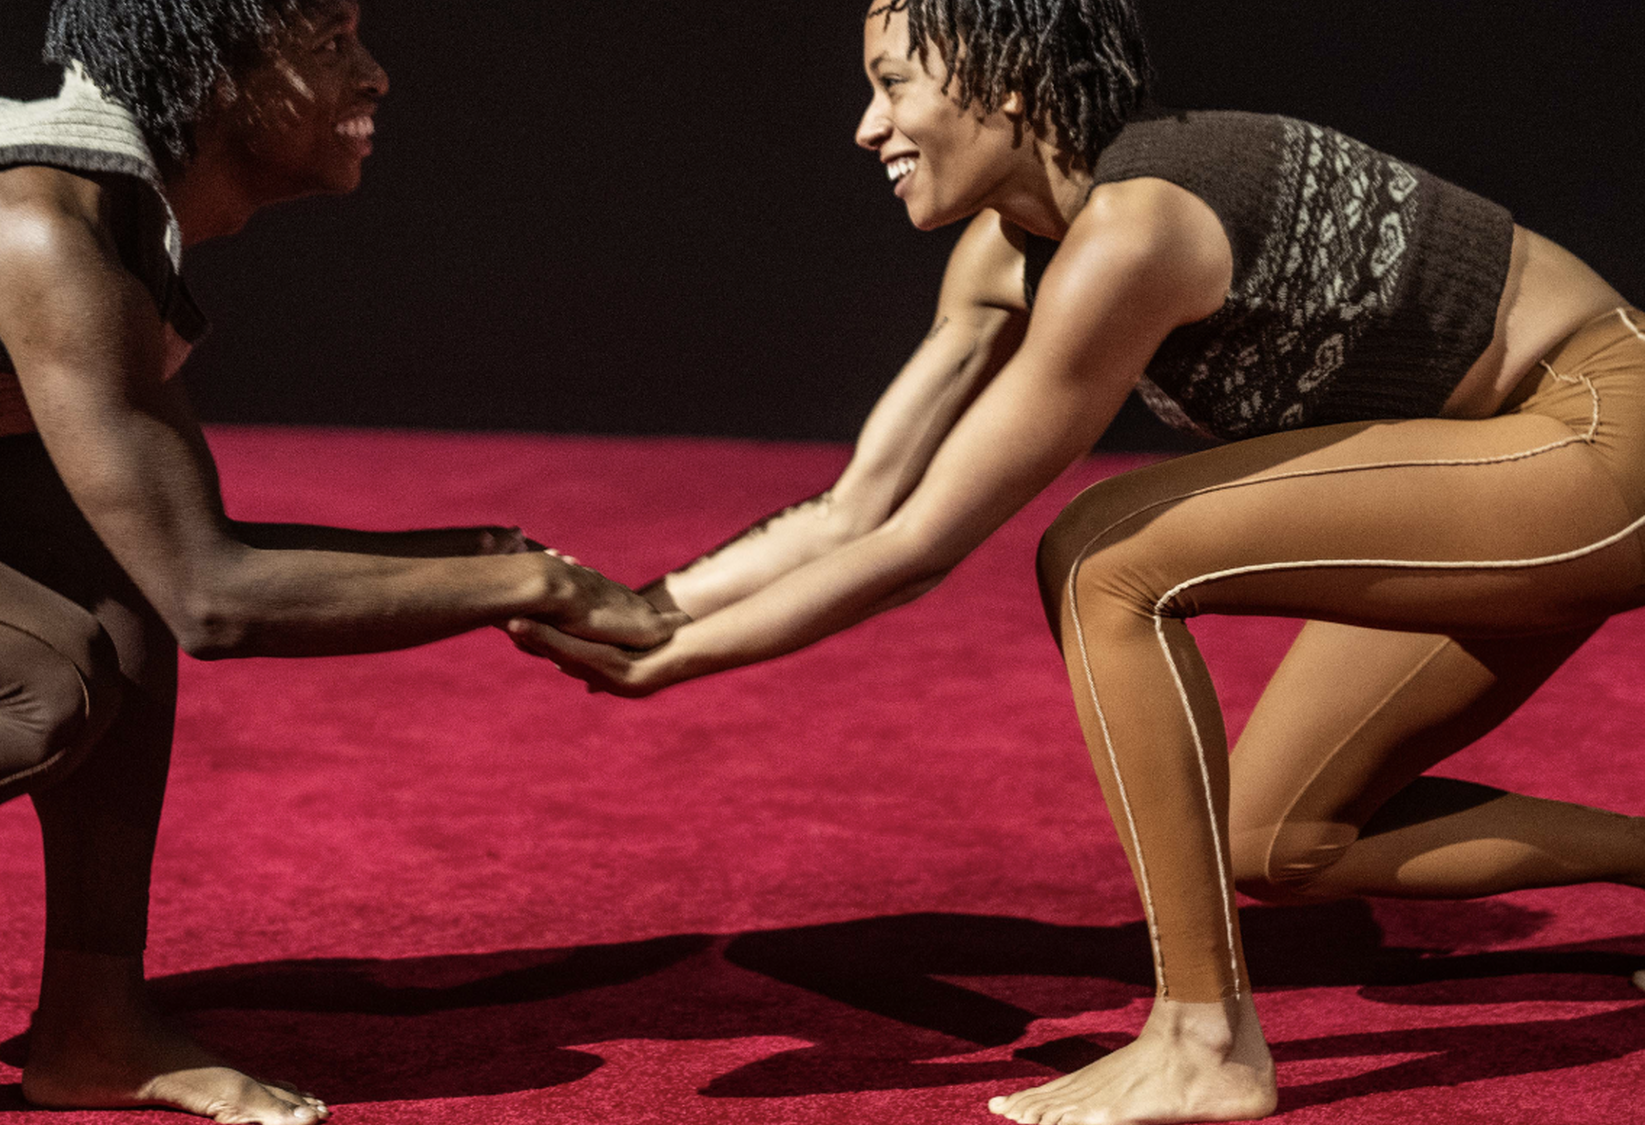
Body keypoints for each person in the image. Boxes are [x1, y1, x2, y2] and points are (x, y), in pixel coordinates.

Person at [508, 1, 1645, 1122]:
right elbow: (861, 505)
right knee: (1279, 842)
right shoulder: (1007, 251)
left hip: (1603, 442)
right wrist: (649, 609)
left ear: (1005, 84)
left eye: (893, 84)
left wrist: (678, 661)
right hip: (1484, 481)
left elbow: (920, 547)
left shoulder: (1136, 227)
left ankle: (1202, 1040)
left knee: (1104, 554)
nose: (866, 125)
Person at [0, 2, 676, 1122]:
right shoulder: (43, 240)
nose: (374, 75)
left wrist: (489, 556)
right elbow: (216, 598)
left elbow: (179, 555)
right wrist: (530, 582)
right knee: (44, 679)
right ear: (212, 74)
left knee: (110, 574)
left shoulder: (96, 215)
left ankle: (95, 1029)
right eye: (328, 43)